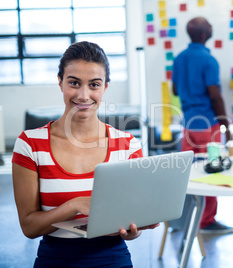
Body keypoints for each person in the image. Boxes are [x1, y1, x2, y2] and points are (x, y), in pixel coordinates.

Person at [12, 41, 159, 267]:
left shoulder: (128, 145)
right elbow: (29, 227)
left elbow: (133, 220)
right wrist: (75, 205)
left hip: (112, 257)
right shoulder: (30, 144)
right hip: (55, 258)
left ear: (105, 88)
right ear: (60, 82)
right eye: (74, 83)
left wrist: (132, 231)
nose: (83, 95)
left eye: (94, 85)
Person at [172, 17, 233, 234]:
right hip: (209, 126)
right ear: (204, 35)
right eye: (210, 26)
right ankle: (207, 221)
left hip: (188, 126)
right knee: (212, 172)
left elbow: (175, 91)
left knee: (186, 176)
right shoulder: (209, 60)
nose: (212, 28)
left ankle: (182, 221)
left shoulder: (179, 59)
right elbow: (215, 97)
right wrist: (227, 125)